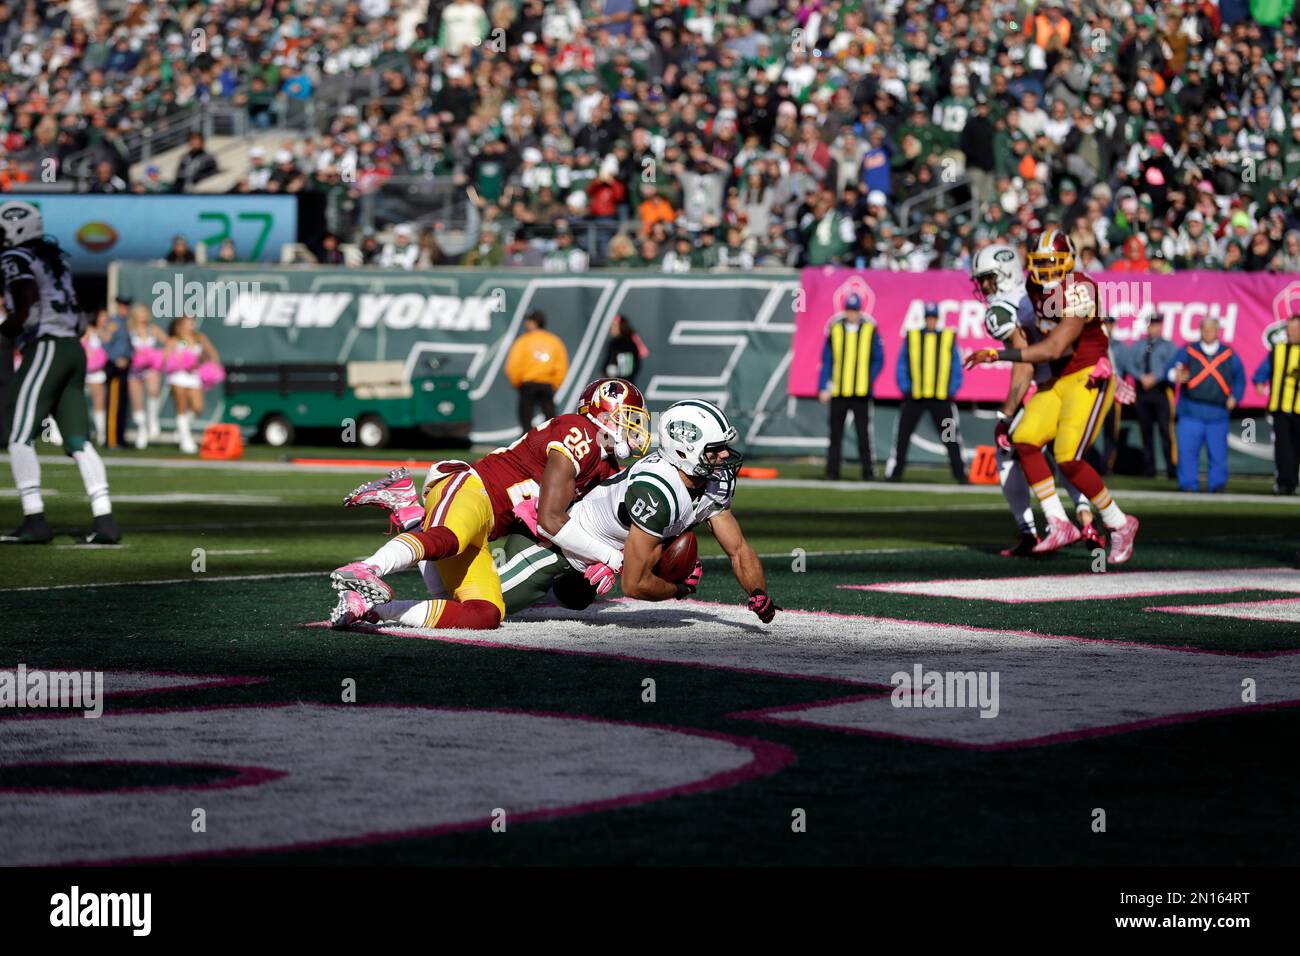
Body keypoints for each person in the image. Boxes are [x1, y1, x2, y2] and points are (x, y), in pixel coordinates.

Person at [349, 400, 777, 626]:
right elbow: (631, 581)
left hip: (581, 548)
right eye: (715, 449)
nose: (725, 456)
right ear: (685, 449)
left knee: (566, 598)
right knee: (464, 605)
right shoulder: (657, 489)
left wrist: (757, 593)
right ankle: (406, 520)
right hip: (556, 544)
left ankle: (406, 524)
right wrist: (676, 589)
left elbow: (738, 549)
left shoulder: (710, 481)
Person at [327, 378, 651, 631]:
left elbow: (571, 526)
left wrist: (592, 558)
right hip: (472, 488)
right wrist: (611, 557)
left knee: (482, 613)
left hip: (487, 530)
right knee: (448, 537)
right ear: (604, 413)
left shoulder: (607, 468)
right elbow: (550, 520)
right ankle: (364, 570)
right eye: (629, 418)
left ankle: (367, 608)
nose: (635, 428)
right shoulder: (579, 431)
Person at [966, 228, 1140, 564]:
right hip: (1057, 380)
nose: (1046, 271)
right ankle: (1059, 522)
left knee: (1067, 457)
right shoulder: (1031, 288)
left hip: (1086, 376)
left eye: (1053, 263)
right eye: (1040, 264)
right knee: (1025, 438)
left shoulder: (1079, 289)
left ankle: (1120, 523)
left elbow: (1055, 346)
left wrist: (996, 356)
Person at [0, 201, 120, 545]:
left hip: (47, 346)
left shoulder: (15, 258)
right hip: (73, 348)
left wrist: (7, 331)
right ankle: (105, 518)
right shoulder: (56, 257)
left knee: (19, 434)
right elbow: (78, 312)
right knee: (78, 440)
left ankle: (34, 517)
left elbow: (25, 301)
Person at [970, 243, 1099, 556]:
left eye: (987, 279)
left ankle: (1031, 530)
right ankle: (1087, 522)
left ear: (1005, 273)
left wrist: (1006, 413)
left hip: (1045, 389)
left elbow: (1024, 363)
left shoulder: (1002, 310)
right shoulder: (1039, 290)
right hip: (1078, 382)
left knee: (1011, 453)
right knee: (1066, 457)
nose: (984, 286)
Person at [886, 303, 968, 483]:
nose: (931, 321)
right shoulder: (913, 336)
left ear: (937, 319)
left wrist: (951, 390)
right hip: (915, 397)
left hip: (940, 398)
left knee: (950, 436)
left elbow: (956, 366)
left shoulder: (947, 337)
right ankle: (896, 472)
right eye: (928, 317)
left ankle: (960, 473)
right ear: (925, 318)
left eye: (933, 318)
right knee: (903, 435)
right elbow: (902, 364)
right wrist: (906, 388)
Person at [1164, 317, 1245, 493]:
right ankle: (1187, 485)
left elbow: (1240, 377)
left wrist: (1235, 397)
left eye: (1211, 329)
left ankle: (1216, 486)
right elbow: (1170, 370)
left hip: (1217, 413)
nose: (1208, 333)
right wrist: (1175, 375)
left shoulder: (1228, 353)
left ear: (1217, 331)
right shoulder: (1189, 350)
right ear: (1200, 331)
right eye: (1205, 329)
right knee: (1187, 452)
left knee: (1217, 454)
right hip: (1190, 411)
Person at [818, 293, 883, 480]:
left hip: (861, 391)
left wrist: (868, 378)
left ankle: (868, 472)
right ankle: (832, 471)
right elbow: (827, 360)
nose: (852, 314)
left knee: (863, 434)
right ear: (845, 310)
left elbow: (879, 359)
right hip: (839, 390)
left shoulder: (870, 330)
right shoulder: (836, 329)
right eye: (849, 310)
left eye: (855, 310)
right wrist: (824, 386)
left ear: (860, 311)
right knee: (835, 434)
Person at [1120, 313, 1178, 479]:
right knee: (1146, 432)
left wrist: (1156, 376)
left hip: (1161, 390)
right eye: (1150, 324)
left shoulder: (1167, 345)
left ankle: (1171, 467)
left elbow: (1172, 364)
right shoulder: (1139, 345)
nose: (1153, 327)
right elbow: (1129, 364)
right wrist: (1140, 377)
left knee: (1165, 431)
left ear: (1160, 326)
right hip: (1143, 391)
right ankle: (1149, 468)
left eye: (1156, 324)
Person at [1253, 313, 1300, 496]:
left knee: (1296, 449)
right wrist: (1259, 382)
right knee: (1282, 448)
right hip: (1280, 408)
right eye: (1289, 329)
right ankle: (1283, 483)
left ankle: (1293, 482)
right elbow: (1262, 371)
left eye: (1296, 329)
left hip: (1298, 409)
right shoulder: (1278, 350)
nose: (1292, 333)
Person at [163, 315, 220, 455]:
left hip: (194, 377)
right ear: (180, 324)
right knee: (181, 406)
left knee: (197, 408)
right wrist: (178, 360)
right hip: (178, 377)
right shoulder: (175, 340)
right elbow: (165, 359)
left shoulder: (200, 338)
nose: (191, 324)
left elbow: (212, 354)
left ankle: (183, 429)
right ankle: (186, 440)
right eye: (188, 322)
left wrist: (207, 364)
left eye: (192, 322)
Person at [505, 310, 569, 433]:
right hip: (547, 385)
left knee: (526, 419)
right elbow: (561, 365)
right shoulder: (554, 341)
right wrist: (556, 383)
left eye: (528, 321)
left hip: (528, 385)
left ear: (534, 323)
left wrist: (517, 382)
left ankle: (527, 445)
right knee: (551, 420)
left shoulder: (523, 341)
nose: (526, 323)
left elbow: (513, 365)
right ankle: (552, 443)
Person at [127, 304, 168, 449]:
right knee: (137, 402)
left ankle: (153, 419)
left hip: (150, 369)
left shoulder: (153, 330)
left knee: (153, 391)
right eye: (141, 312)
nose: (144, 315)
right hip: (134, 370)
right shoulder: (129, 331)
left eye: (146, 312)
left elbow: (170, 343)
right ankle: (142, 429)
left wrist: (161, 356)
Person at [100, 294, 134, 448]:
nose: (124, 309)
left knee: (122, 404)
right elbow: (106, 345)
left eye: (126, 306)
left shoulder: (126, 323)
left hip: (125, 367)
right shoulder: (113, 323)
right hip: (115, 367)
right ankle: (112, 439)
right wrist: (116, 359)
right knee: (113, 404)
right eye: (122, 306)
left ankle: (120, 438)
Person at [603, 315, 647, 384]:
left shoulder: (628, 344)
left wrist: (619, 377)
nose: (611, 328)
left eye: (614, 326)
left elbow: (630, 368)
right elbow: (608, 361)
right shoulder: (612, 343)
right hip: (611, 383)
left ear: (621, 326)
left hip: (624, 384)